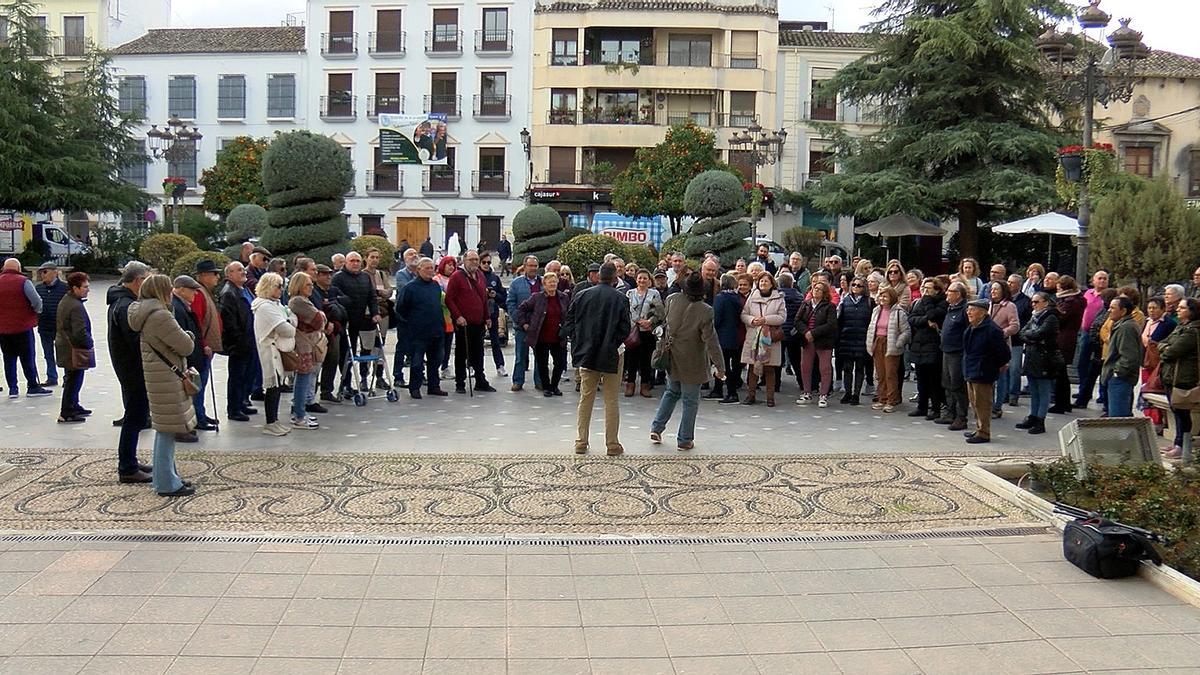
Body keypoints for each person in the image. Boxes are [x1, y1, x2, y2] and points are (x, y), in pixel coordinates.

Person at [127, 274, 196, 497]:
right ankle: (166, 483)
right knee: (166, 432)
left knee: (164, 430)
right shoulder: (159, 316)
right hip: (167, 378)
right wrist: (189, 335)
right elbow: (185, 346)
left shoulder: (142, 312)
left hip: (159, 376)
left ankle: (166, 477)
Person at [562, 262, 630, 455]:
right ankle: (612, 443)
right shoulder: (620, 298)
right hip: (612, 353)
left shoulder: (583, 295)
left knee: (586, 397)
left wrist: (579, 342)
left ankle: (581, 441)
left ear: (598, 275)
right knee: (611, 400)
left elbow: (569, 322)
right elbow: (625, 328)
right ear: (615, 277)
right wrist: (613, 343)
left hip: (587, 351)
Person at [650, 274, 724, 450]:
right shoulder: (705, 310)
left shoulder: (672, 299)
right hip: (693, 361)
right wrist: (719, 366)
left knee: (671, 392)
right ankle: (684, 439)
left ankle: (657, 427)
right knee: (690, 401)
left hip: (671, 356)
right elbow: (711, 341)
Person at [108, 262, 153, 482]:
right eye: (147, 278)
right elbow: (135, 340)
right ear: (138, 281)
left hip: (130, 367)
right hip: (132, 368)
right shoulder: (125, 305)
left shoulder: (123, 301)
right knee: (134, 417)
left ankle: (131, 460)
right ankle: (127, 467)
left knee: (136, 416)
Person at [251, 272, 298, 436]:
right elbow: (288, 329)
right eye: (278, 286)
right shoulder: (264, 307)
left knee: (278, 386)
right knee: (272, 387)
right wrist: (291, 321)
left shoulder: (275, 304)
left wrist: (290, 321)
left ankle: (275, 420)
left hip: (277, 349)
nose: (281, 290)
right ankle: (270, 422)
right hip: (270, 351)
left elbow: (290, 319)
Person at [397, 257, 449, 398]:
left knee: (436, 360)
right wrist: (411, 324)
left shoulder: (435, 286)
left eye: (432, 268)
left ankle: (434, 386)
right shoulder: (410, 288)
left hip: (436, 330)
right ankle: (415, 388)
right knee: (417, 363)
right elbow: (400, 309)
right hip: (417, 333)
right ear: (418, 269)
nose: (430, 271)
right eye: (426, 268)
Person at [445, 250, 496, 394]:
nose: (474, 262)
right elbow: (449, 299)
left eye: (476, 260)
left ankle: (480, 380)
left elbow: (483, 298)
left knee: (479, 352)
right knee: (462, 352)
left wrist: (487, 317)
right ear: (464, 261)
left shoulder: (480, 275)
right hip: (464, 323)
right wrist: (458, 316)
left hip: (478, 321)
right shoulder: (456, 277)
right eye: (471, 260)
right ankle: (460, 382)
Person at [962, 299, 1011, 444]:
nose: (969, 312)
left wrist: (993, 365)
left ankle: (984, 432)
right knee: (974, 402)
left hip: (983, 371)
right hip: (971, 369)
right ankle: (978, 428)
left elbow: (1004, 353)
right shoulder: (972, 327)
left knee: (982, 403)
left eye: (972, 310)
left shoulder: (992, 329)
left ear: (983, 312)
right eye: (968, 310)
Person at [0, 258, 49, 397]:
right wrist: (36, 312)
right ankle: (32, 386)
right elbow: (37, 301)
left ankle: (13, 389)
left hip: (3, 329)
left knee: (8, 359)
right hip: (23, 326)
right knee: (27, 357)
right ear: (19, 268)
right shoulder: (23, 281)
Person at [517, 271, 571, 397]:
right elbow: (522, 309)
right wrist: (525, 324)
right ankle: (546, 387)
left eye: (554, 281)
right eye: (550, 282)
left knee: (560, 362)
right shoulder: (537, 297)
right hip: (541, 336)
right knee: (542, 363)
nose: (552, 284)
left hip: (558, 336)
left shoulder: (563, 297)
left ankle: (555, 386)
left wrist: (567, 328)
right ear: (544, 284)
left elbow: (568, 314)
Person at [1158, 298, 1199, 459]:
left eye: (1182, 308)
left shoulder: (1192, 331)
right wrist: (1164, 347)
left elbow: (1170, 351)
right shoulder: (1181, 327)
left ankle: (1182, 446)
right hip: (1171, 375)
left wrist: (1164, 348)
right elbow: (1162, 343)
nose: (1178, 310)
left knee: (1182, 412)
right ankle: (1177, 442)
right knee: (1177, 411)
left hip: (1183, 378)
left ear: (1192, 311)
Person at [332, 251, 380, 392]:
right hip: (345, 321)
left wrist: (375, 313)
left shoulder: (365, 277)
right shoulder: (338, 278)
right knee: (347, 352)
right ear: (346, 262)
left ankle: (364, 378)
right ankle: (346, 383)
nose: (355, 263)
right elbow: (334, 297)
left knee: (366, 349)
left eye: (357, 261)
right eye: (352, 261)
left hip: (362, 319)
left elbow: (372, 297)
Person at [1016, 292, 1062, 435]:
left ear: (1045, 302)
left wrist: (1031, 337)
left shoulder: (1051, 317)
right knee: (1034, 390)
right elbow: (1022, 332)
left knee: (1043, 390)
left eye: (1037, 302)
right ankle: (1033, 415)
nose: (1033, 304)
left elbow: (1040, 334)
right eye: (1032, 302)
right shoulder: (1034, 316)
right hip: (1032, 356)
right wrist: (1031, 338)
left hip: (1045, 358)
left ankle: (1040, 420)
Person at [287, 272, 328, 429]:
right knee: (303, 379)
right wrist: (321, 316)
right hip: (303, 346)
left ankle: (301, 412)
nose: (311, 287)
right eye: (308, 285)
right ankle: (299, 414)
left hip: (308, 344)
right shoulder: (298, 301)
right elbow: (318, 321)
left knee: (306, 378)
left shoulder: (305, 300)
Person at [740, 272, 786, 407]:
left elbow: (782, 317)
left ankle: (770, 398)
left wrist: (766, 320)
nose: (763, 284)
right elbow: (744, 314)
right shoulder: (752, 297)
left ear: (772, 283)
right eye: (761, 281)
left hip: (770, 337)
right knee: (752, 367)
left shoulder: (779, 298)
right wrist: (752, 320)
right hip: (754, 335)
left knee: (769, 369)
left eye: (766, 281)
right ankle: (751, 395)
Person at [218, 262, 257, 422]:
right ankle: (234, 408)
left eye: (243, 269)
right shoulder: (229, 293)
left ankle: (242, 402)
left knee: (247, 374)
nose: (243, 272)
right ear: (229, 275)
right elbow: (229, 320)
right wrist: (239, 340)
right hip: (239, 341)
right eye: (239, 270)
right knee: (237, 376)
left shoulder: (244, 289)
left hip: (250, 339)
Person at [169, 276, 205, 444]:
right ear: (181, 289)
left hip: (191, 356)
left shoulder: (183, 305)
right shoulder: (177, 307)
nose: (195, 294)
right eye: (192, 290)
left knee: (187, 396)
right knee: (182, 396)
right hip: (185, 358)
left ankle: (187, 426)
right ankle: (181, 429)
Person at [54, 272, 93, 423]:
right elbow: (79, 332)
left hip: (66, 346)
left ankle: (74, 405)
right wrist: (89, 343)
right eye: (85, 287)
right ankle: (67, 411)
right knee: (73, 380)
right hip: (72, 348)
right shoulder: (75, 305)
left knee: (73, 378)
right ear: (75, 288)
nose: (87, 290)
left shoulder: (68, 300)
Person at [866, 287, 911, 413]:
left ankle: (892, 400)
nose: (882, 299)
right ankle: (882, 397)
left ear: (892, 298)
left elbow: (906, 331)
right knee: (880, 374)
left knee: (890, 373)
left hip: (890, 343)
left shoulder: (898, 312)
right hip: (878, 342)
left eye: (885, 296)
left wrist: (898, 343)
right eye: (881, 296)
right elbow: (871, 327)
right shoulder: (876, 310)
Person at [794, 280, 838, 407]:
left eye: (819, 289)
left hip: (823, 341)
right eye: (814, 288)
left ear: (824, 293)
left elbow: (831, 325)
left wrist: (814, 333)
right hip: (807, 340)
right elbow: (797, 320)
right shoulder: (806, 304)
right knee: (805, 366)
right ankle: (807, 392)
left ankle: (823, 394)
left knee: (825, 368)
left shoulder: (829, 306)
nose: (816, 290)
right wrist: (806, 332)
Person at [908, 277, 947, 420]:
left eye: (928, 288)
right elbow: (912, 319)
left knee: (934, 379)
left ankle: (936, 408)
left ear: (937, 290)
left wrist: (928, 301)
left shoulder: (943, 302)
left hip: (933, 344)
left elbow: (934, 315)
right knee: (921, 378)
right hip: (919, 343)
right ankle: (921, 406)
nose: (924, 291)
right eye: (923, 288)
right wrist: (925, 321)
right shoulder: (918, 302)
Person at [190, 260, 223, 429]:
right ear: (203, 275)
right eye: (214, 273)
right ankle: (198, 417)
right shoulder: (198, 293)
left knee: (202, 382)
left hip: (207, 345)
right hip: (203, 347)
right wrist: (203, 344)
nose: (218, 276)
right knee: (199, 383)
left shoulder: (205, 292)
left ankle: (201, 413)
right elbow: (196, 322)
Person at [622, 270, 665, 398]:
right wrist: (639, 321)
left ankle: (645, 385)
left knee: (647, 359)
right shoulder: (630, 293)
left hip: (648, 331)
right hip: (633, 330)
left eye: (645, 278)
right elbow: (628, 309)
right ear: (636, 280)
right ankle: (630, 384)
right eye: (640, 278)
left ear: (649, 280)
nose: (642, 280)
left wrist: (650, 321)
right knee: (631, 359)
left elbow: (659, 311)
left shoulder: (654, 293)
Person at [1100, 296, 1143, 418]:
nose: (1109, 310)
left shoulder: (1126, 327)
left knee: (1118, 418)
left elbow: (1129, 357)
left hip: (1120, 379)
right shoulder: (1122, 325)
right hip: (1119, 378)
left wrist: (1117, 373)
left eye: (1113, 308)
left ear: (1123, 311)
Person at [1074, 269, 1110, 408]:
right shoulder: (1088, 294)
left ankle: (1102, 393)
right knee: (1082, 362)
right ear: (1093, 280)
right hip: (1085, 332)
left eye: (1105, 278)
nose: (1102, 281)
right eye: (1099, 278)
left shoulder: (1109, 296)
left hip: (1101, 335)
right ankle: (1084, 390)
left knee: (1099, 365)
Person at [1049, 275, 1085, 414]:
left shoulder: (1071, 302)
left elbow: (1061, 318)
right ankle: (1063, 402)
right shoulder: (1075, 300)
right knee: (1062, 373)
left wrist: (1053, 309)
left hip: (1064, 338)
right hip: (1067, 337)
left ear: (1064, 288)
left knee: (1060, 373)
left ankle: (1061, 403)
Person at [506, 255, 542, 392]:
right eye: (530, 266)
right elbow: (511, 304)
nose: (533, 268)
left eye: (535, 266)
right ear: (525, 266)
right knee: (520, 356)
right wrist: (521, 322)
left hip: (539, 327)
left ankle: (540, 381)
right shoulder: (516, 283)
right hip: (521, 327)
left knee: (540, 356)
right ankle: (517, 381)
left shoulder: (543, 282)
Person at [938, 282, 970, 430]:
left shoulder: (965, 309)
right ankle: (950, 413)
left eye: (950, 291)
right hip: (946, 350)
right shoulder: (951, 308)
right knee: (947, 383)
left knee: (958, 385)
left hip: (957, 352)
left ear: (958, 294)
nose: (946, 294)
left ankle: (961, 417)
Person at [711, 274, 747, 404]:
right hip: (735, 336)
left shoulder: (721, 298)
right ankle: (719, 389)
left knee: (723, 365)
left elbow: (717, 318)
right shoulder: (738, 298)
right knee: (729, 364)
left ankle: (731, 392)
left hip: (722, 336)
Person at [838, 276, 874, 405]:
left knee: (860, 368)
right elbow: (840, 320)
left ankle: (856, 394)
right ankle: (847, 392)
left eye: (859, 285)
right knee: (847, 368)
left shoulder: (870, 301)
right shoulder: (845, 300)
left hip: (862, 338)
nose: (856, 288)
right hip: (847, 338)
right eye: (854, 285)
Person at [987, 281, 1019, 419]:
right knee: (988, 377)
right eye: (992, 289)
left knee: (1000, 378)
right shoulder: (987, 304)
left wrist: (1001, 333)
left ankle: (997, 407)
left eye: (996, 289)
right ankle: (988, 404)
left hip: (1001, 345)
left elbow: (1015, 326)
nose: (993, 292)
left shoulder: (1010, 306)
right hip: (986, 346)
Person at [35, 261, 67, 388]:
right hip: (44, 326)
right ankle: (51, 377)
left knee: (63, 353)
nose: (43, 275)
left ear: (55, 272)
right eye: (41, 272)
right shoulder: (38, 288)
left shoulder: (65, 288)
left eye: (45, 271)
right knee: (48, 354)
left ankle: (67, 377)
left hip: (60, 327)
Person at [480, 252, 508, 377]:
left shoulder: (494, 278)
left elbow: (503, 297)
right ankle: (474, 366)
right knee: (477, 342)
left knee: (495, 341)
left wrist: (494, 295)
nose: (486, 265)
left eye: (488, 262)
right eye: (484, 262)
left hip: (492, 312)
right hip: (478, 313)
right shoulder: (476, 277)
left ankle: (500, 365)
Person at [776, 272, 804, 395]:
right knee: (796, 359)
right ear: (792, 283)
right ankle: (802, 383)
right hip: (793, 332)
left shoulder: (776, 296)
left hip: (779, 331)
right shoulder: (799, 296)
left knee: (777, 360)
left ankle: (776, 384)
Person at [1006, 274, 1032, 406]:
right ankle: (1003, 393)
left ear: (1019, 285)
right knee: (1004, 368)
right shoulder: (1003, 299)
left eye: (1012, 283)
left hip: (1016, 340)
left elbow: (1027, 320)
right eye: (1008, 282)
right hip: (1003, 339)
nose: (1009, 284)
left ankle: (1013, 394)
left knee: (1015, 368)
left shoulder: (1026, 301)